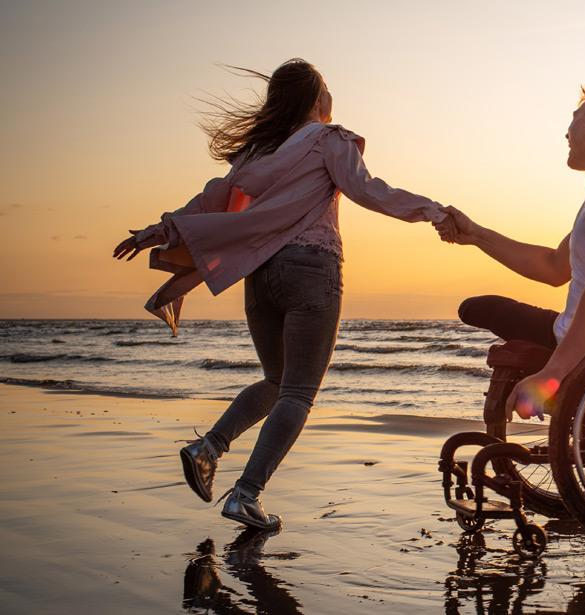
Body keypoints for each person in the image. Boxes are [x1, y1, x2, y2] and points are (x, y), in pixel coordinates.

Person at [113, 58, 450, 530]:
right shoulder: (329, 140)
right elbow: (367, 189)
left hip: (261, 274)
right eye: (327, 88)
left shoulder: (256, 154)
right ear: (317, 99)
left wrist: (160, 229)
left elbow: (211, 198)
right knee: (298, 392)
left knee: (275, 381)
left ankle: (208, 447)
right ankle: (245, 494)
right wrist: (431, 211)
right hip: (312, 269)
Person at [436, 81, 585, 420]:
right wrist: (476, 235)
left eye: (574, 119)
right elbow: (554, 267)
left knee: (477, 308)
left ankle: (578, 419)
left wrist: (552, 373)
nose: (567, 132)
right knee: (477, 308)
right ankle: (584, 425)